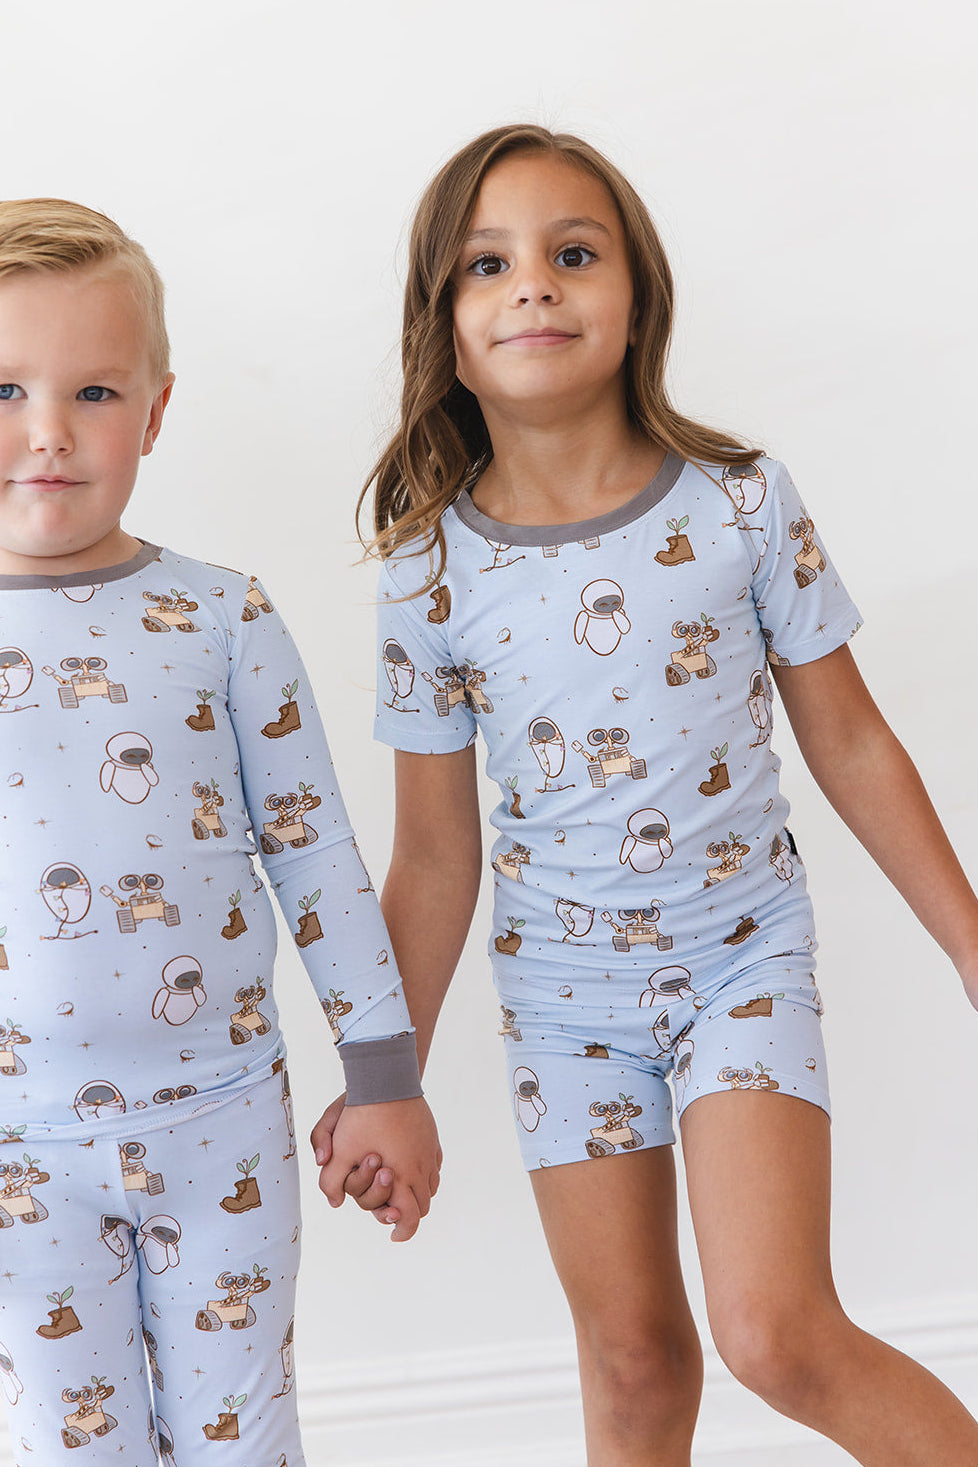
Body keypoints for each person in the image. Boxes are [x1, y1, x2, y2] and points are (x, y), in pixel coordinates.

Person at [314, 125, 978, 1464]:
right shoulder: (429, 571)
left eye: (573, 254)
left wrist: (968, 941)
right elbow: (433, 856)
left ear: (636, 301)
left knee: (774, 1334)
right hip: (564, 1004)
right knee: (631, 1366)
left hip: (742, 965)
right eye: (487, 264)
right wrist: (383, 1073)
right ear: (447, 332)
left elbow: (851, 744)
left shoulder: (742, 504)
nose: (533, 284)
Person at [0, 198, 439, 1467]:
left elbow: (315, 854)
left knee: (244, 1441)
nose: (47, 431)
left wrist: (386, 1081)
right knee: (72, 1448)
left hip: (220, 1120)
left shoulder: (221, 618)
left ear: (155, 410)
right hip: (18, 1148)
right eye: (6, 389)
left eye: (92, 391)